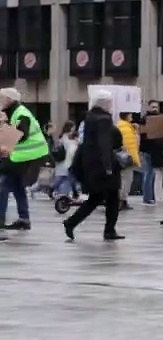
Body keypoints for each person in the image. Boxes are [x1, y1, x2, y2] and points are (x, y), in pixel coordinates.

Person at [63, 90, 125, 241]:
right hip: (103, 165)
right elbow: (104, 143)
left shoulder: (90, 118)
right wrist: (108, 166)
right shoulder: (104, 119)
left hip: (91, 164)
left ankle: (72, 222)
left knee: (96, 198)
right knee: (111, 198)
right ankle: (109, 230)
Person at [0, 88, 49, 232]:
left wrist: (5, 141)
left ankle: (1, 221)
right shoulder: (13, 112)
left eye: (2, 98)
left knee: (3, 187)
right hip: (22, 156)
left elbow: (22, 134)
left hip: (26, 156)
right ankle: (24, 219)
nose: (0, 101)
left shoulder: (21, 113)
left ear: (10, 100)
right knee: (17, 187)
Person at [140, 101, 163, 205]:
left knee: (156, 175)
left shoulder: (160, 119)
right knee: (149, 173)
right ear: (149, 107)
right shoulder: (144, 119)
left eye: (156, 107)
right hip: (148, 150)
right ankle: (148, 196)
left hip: (157, 150)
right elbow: (143, 134)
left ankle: (154, 195)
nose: (155, 109)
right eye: (153, 107)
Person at [117, 112, 141, 211]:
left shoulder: (120, 126)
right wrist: (136, 132)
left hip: (122, 158)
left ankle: (122, 200)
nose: (132, 117)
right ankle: (121, 201)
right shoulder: (127, 128)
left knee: (124, 179)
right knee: (126, 180)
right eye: (130, 115)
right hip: (127, 158)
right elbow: (134, 143)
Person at [51, 122, 80, 198]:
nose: (74, 129)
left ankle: (72, 193)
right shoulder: (65, 136)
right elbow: (67, 145)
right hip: (64, 161)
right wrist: (75, 142)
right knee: (63, 178)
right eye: (73, 127)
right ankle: (56, 191)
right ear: (70, 128)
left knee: (65, 178)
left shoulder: (65, 136)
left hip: (65, 161)